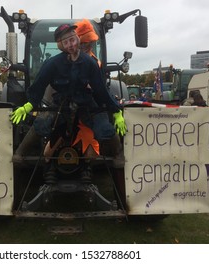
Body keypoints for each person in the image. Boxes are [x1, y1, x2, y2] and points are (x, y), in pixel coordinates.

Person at [11, 23, 126, 182]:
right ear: (61, 46)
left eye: (72, 39)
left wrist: (116, 111)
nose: (71, 44)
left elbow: (100, 91)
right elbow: (39, 85)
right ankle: (20, 153)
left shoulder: (90, 63)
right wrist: (29, 105)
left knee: (104, 127)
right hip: (61, 103)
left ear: (77, 39)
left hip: (86, 103)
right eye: (66, 42)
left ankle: (118, 153)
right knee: (42, 123)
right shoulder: (52, 64)